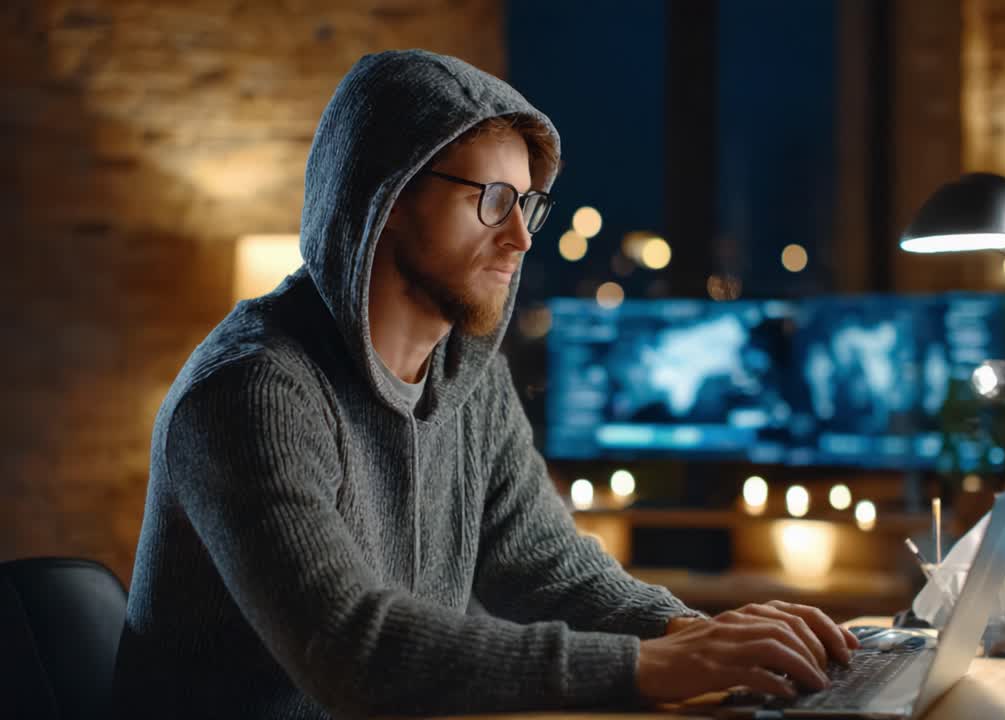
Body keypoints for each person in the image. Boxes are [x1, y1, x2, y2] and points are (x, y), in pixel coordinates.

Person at [112, 50, 856, 719]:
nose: (523, 236)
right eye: (493, 199)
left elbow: (549, 570)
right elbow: (351, 650)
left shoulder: (471, 378)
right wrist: (649, 667)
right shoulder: (251, 392)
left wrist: (696, 632)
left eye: (528, 202)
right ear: (390, 196)